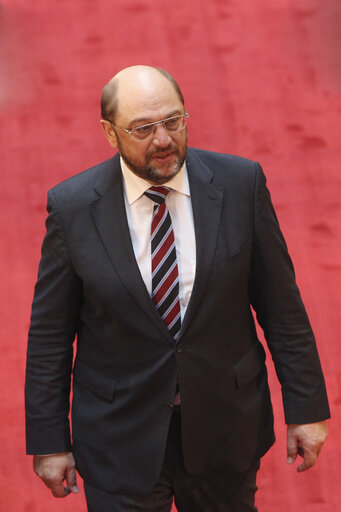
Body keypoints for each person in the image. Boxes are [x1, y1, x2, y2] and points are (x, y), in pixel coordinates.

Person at [25, 65, 330, 512]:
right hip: (119, 436)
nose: (164, 139)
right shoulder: (73, 209)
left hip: (226, 428)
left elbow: (282, 307)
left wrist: (307, 408)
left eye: (173, 121)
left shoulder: (240, 185)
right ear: (110, 134)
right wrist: (49, 441)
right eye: (144, 128)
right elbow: (50, 336)